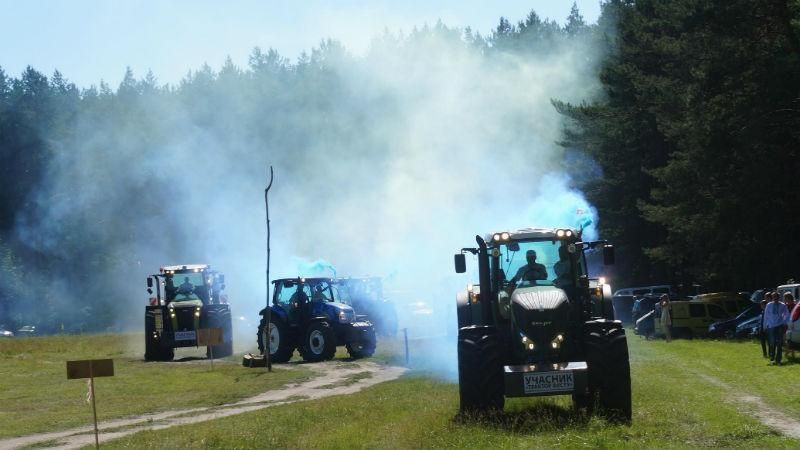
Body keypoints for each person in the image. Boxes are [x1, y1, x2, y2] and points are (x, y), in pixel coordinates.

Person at [764, 291, 790, 365]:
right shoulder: (769, 305)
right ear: (772, 298)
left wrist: (784, 322)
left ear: (779, 297)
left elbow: (787, 314)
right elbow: (766, 316)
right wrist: (765, 326)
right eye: (774, 297)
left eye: (777, 297)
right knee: (772, 343)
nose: (775, 298)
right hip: (771, 326)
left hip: (779, 326)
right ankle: (772, 358)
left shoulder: (783, 305)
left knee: (779, 343)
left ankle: (778, 359)